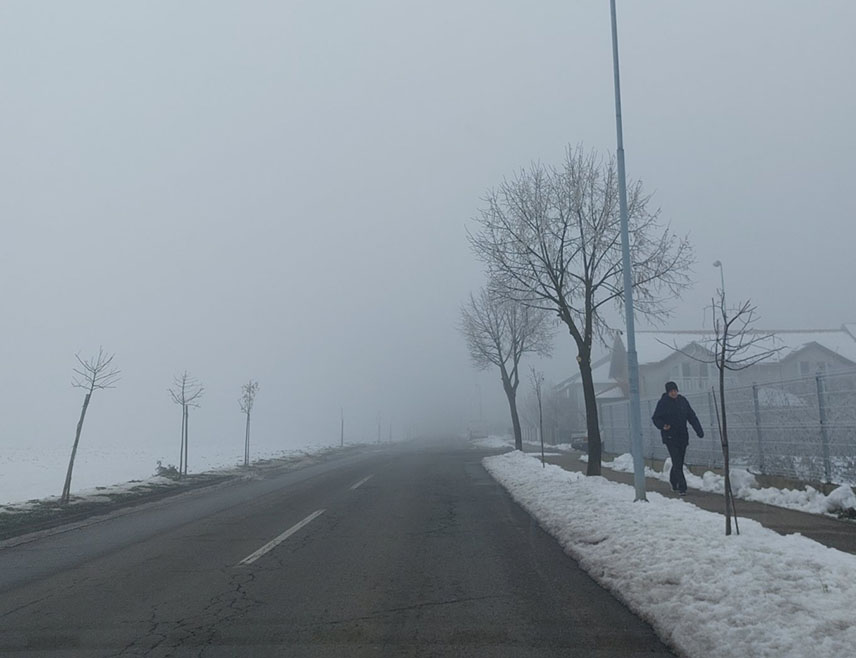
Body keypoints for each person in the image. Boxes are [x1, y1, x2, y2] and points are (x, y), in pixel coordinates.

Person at [651, 381, 704, 495]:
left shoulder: (682, 401)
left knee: (679, 461)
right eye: (671, 391)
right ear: (668, 392)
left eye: (675, 390)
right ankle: (682, 487)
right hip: (670, 436)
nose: (674, 393)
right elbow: (656, 418)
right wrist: (663, 426)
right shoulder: (663, 403)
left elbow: (691, 416)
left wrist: (699, 430)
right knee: (677, 460)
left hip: (683, 435)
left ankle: (673, 481)